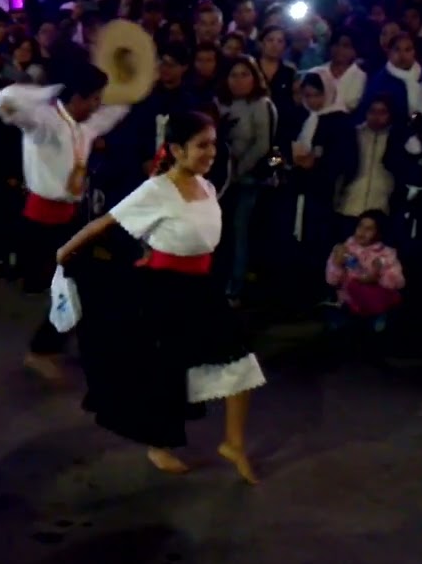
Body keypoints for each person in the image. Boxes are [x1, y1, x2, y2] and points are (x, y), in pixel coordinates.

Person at [55, 111, 266, 484]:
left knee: (241, 364)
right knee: (164, 374)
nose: (210, 152)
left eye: (213, 143)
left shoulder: (207, 186)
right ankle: (159, 444)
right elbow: (103, 223)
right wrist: (63, 253)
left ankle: (233, 444)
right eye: (201, 145)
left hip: (202, 290)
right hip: (164, 292)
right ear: (176, 150)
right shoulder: (156, 189)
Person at [0, 62, 129, 381]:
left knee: (87, 281)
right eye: (94, 98)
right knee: (73, 287)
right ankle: (41, 350)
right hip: (41, 223)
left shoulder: (85, 125)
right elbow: (5, 100)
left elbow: (116, 111)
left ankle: (78, 344)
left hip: (69, 219)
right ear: (77, 97)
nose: (99, 105)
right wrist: (50, 90)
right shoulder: (45, 123)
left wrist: (132, 85)